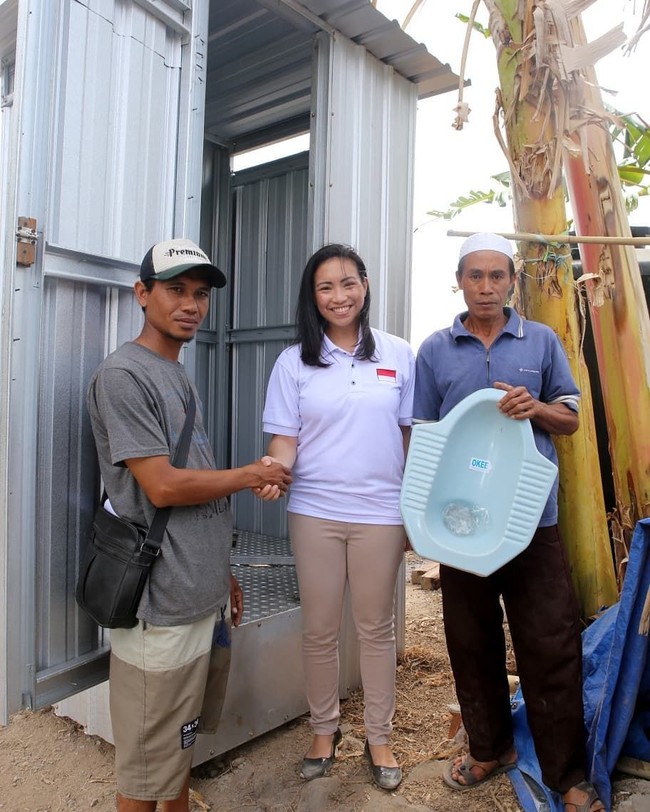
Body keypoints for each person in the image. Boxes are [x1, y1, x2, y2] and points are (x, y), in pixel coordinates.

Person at [86, 238, 292, 812]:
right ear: (142, 294)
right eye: (175, 289)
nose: (191, 305)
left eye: (200, 294)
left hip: (199, 594)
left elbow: (189, 483)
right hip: (162, 606)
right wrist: (252, 473)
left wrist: (221, 573)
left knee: (176, 753)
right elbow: (164, 486)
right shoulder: (124, 376)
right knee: (143, 776)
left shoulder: (175, 373)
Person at [413, 232, 604, 812]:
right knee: (470, 642)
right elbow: (421, 434)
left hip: (530, 520)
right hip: (462, 523)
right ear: (460, 281)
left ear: (512, 283)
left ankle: (567, 774)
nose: (487, 287)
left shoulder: (541, 342)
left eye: (498, 276)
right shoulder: (436, 350)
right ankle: (489, 749)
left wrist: (536, 407)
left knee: (550, 643)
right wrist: (419, 521)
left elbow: (569, 421)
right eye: (476, 275)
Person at [260, 243, 415, 790]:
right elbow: (285, 440)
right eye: (325, 287)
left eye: (347, 283)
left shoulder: (399, 354)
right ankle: (324, 730)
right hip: (315, 512)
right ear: (314, 296)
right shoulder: (293, 361)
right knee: (320, 629)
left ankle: (380, 737)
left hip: (380, 513)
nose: (338, 296)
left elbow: (407, 437)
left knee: (375, 628)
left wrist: (414, 510)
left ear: (365, 286)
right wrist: (273, 476)